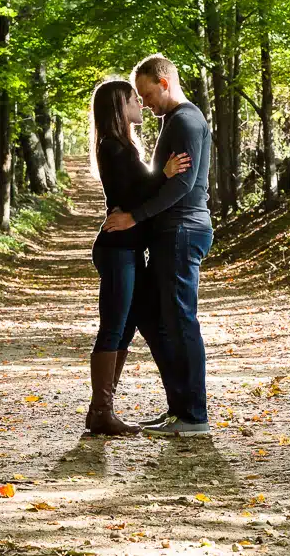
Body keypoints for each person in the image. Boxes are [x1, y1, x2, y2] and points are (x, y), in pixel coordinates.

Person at [103, 55, 213, 437]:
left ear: (164, 82)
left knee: (182, 320)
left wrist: (135, 217)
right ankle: (178, 409)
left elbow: (182, 184)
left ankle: (194, 416)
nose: (145, 104)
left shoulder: (184, 120)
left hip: (183, 231)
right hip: (170, 233)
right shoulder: (173, 121)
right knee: (151, 316)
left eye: (147, 94)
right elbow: (160, 178)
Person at [87, 79, 191, 435]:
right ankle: (100, 411)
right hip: (118, 250)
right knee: (114, 327)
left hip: (129, 249)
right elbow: (130, 195)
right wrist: (162, 174)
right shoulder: (113, 147)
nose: (141, 104)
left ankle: (104, 410)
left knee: (127, 326)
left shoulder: (122, 146)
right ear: (119, 107)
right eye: (135, 99)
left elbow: (135, 193)